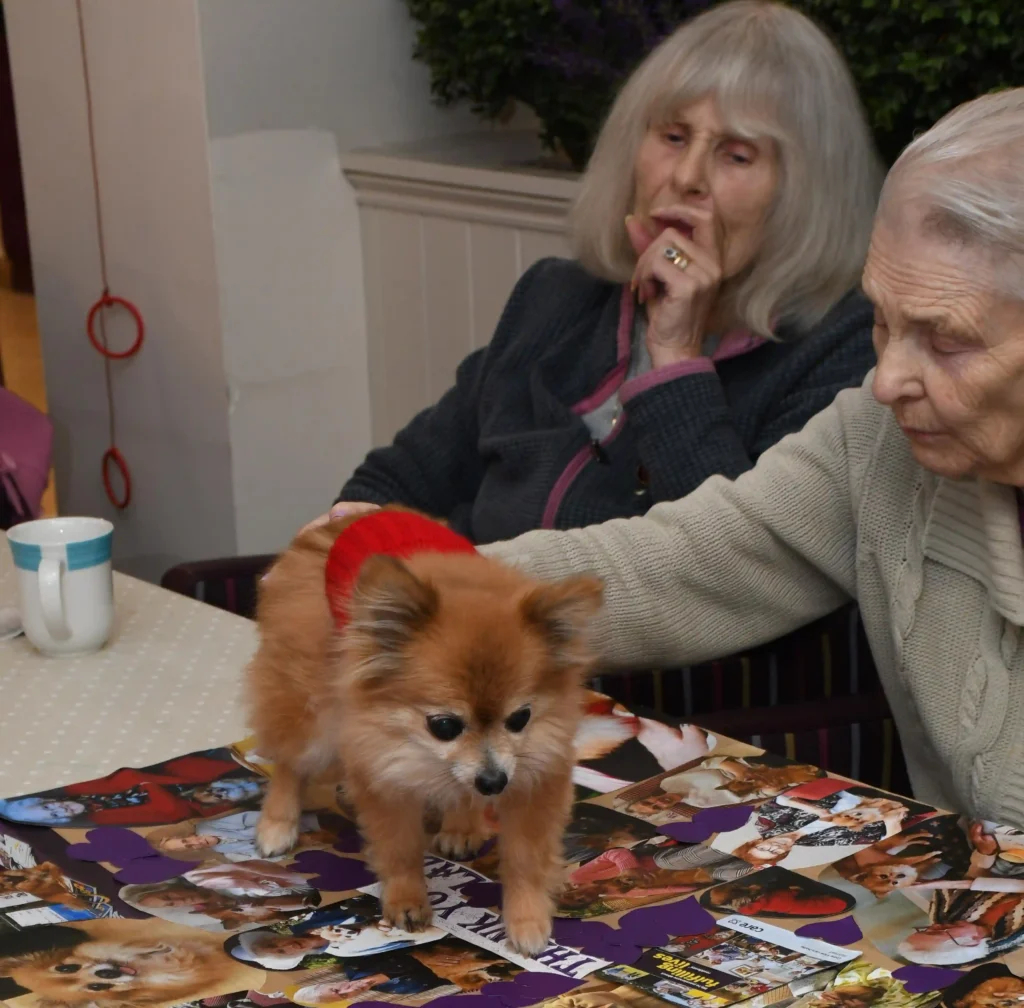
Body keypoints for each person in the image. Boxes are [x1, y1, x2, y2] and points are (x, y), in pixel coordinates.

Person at [480, 88, 1024, 829]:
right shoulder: (879, 435)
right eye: (882, 322)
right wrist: (434, 590)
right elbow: (682, 561)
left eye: (947, 341)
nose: (889, 380)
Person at [309, 0, 880, 544]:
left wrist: (676, 352)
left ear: (805, 193)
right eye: (673, 137)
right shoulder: (555, 297)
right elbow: (398, 479)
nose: (686, 177)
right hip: (466, 624)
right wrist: (355, 529)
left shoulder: (841, 351)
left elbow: (741, 570)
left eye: (736, 155)